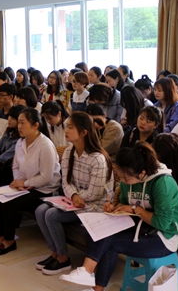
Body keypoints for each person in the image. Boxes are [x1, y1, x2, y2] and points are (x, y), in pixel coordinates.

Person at [60, 142, 178, 291]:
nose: (123, 182)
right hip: (141, 228)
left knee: (111, 245)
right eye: (121, 177)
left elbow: (162, 223)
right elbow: (126, 206)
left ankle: (90, 278)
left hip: (165, 237)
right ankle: (87, 273)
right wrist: (115, 209)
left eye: (126, 178)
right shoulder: (128, 181)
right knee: (103, 231)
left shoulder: (163, 183)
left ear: (142, 173)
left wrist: (135, 209)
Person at [36, 112, 113, 275]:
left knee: (51, 215)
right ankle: (55, 252)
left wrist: (77, 197)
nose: (66, 130)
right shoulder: (69, 152)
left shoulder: (97, 159)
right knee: (40, 210)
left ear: (84, 132)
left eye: (71, 127)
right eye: (67, 126)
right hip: (74, 202)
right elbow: (65, 182)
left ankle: (63, 258)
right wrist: (73, 196)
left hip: (94, 206)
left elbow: (95, 193)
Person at [0, 108, 61, 256]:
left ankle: (9, 241)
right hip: (25, 187)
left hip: (44, 190)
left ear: (35, 125)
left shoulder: (45, 145)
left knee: (9, 203)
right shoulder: (21, 142)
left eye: (22, 123)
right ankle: (2, 236)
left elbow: (46, 177)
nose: (19, 126)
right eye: (18, 123)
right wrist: (17, 182)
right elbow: (15, 166)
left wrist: (25, 184)